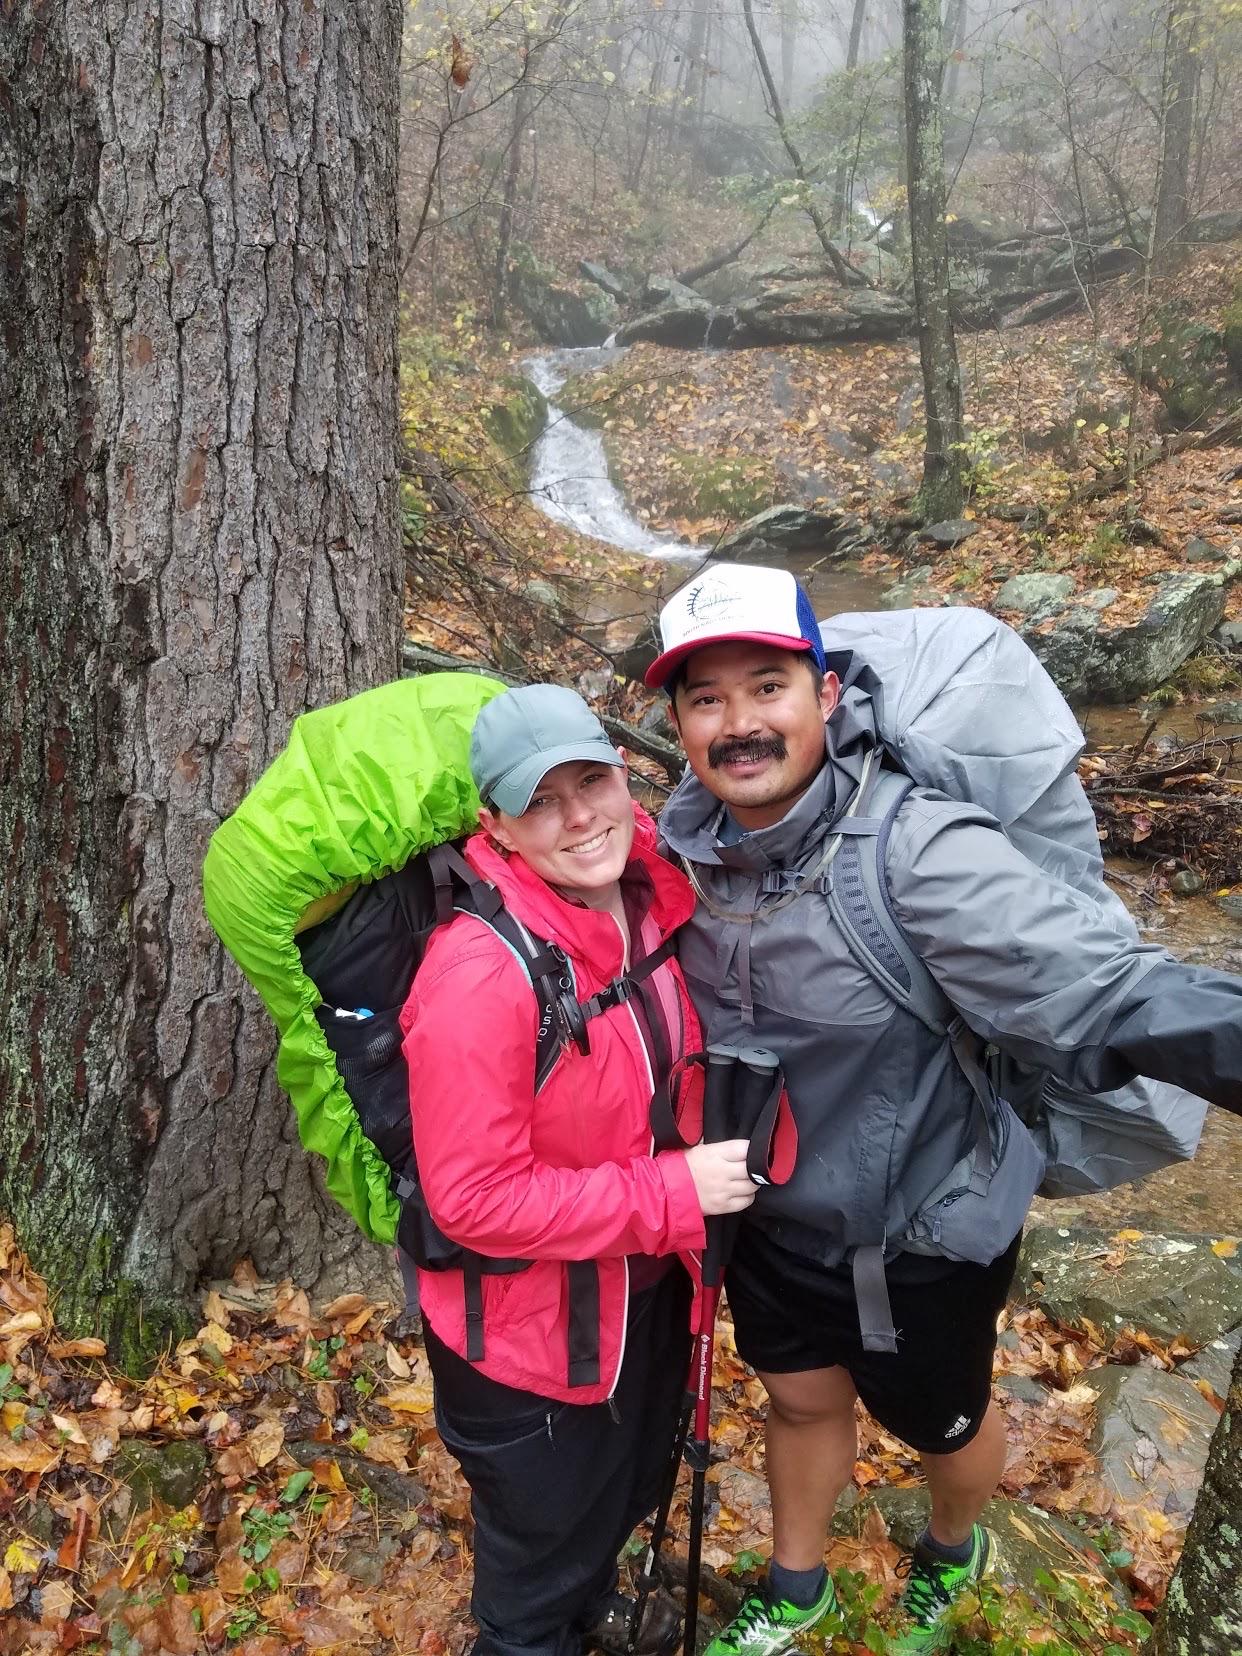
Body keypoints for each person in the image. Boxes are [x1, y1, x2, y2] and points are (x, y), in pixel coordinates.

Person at [646, 562, 1242, 1655]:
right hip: (772, 1222)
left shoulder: (918, 853)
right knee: (799, 1403)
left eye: (767, 686)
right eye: (706, 697)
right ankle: (799, 1581)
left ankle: (955, 1542)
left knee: (942, 1419)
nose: (739, 723)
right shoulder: (676, 853)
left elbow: (1110, 985)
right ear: (678, 722)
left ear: (826, 694)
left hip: (923, 1234)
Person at [399, 683, 758, 1656]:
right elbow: (470, 1198)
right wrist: (675, 1195)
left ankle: (583, 1612)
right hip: (528, 1352)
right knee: (533, 1595)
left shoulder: (647, 898)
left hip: (636, 1303)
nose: (578, 818)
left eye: (590, 782)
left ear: (622, 776)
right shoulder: (477, 974)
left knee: (619, 1507)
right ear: (497, 827)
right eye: (540, 801)